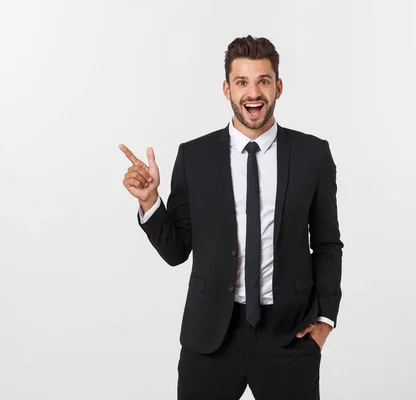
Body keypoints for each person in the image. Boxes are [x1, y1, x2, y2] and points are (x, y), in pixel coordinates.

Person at [119, 35, 343, 400]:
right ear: (226, 89)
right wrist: (150, 203)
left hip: (289, 335)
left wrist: (325, 322)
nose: (252, 93)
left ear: (278, 87)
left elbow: (327, 244)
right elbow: (177, 251)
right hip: (211, 336)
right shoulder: (195, 157)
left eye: (263, 81)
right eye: (242, 82)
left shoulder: (312, 155)